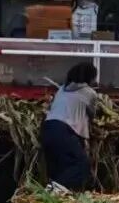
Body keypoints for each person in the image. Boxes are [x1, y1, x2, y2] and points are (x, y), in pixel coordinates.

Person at [41, 62, 99, 192]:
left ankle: (53, 193)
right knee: (81, 165)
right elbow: (92, 115)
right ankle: (53, 190)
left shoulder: (61, 89)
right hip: (64, 130)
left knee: (61, 166)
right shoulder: (90, 93)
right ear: (90, 77)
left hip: (47, 128)